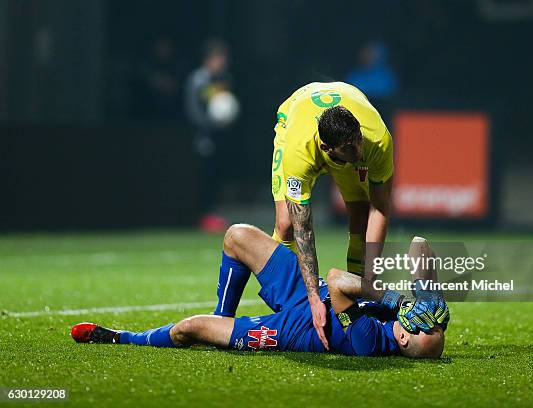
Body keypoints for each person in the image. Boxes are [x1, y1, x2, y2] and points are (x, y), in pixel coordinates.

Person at [71, 225, 448, 358]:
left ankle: (121, 338)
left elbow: (336, 280)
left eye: (419, 326)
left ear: (401, 335)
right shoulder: (406, 327)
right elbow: (419, 244)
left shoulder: (368, 341)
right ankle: (224, 315)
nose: (420, 319)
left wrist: (396, 299)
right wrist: (429, 293)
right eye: (431, 322)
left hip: (290, 327)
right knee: (237, 236)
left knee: (189, 328)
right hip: (307, 292)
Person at [271, 82, 394, 349]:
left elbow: (380, 208)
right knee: (286, 225)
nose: (359, 152)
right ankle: (290, 305)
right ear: (328, 149)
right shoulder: (298, 154)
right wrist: (314, 298)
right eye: (350, 148)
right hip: (294, 112)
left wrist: (369, 283)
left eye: (358, 141)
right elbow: (304, 229)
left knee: (361, 215)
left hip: (344, 98)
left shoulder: (376, 140)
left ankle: (357, 298)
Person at [184, 39, 235, 232]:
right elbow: (193, 111)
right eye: (219, 57)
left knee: (216, 174)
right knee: (202, 174)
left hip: (220, 136)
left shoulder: (225, 79)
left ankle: (212, 214)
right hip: (201, 137)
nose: (222, 62)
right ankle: (200, 215)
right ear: (209, 59)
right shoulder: (198, 80)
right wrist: (211, 123)